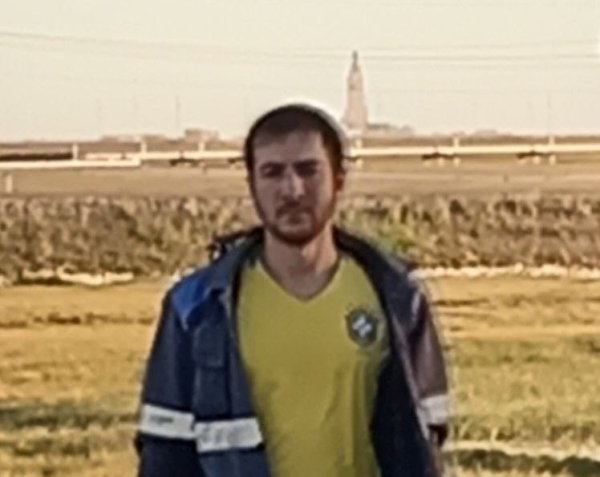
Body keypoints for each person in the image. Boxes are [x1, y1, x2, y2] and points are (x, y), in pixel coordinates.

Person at [135, 103, 449, 477]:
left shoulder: (397, 299)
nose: (292, 190)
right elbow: (165, 450)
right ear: (252, 184)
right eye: (272, 172)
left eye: (308, 170)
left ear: (339, 179)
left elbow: (425, 438)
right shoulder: (196, 308)